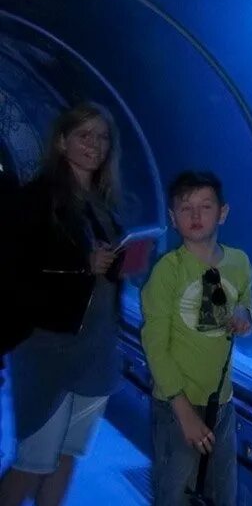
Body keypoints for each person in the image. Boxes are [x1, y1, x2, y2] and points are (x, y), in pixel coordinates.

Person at [0, 103, 125, 506]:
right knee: (33, 463)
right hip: (47, 348)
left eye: (102, 137)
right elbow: (15, 271)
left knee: (67, 457)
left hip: (96, 347)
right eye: (84, 135)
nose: (95, 144)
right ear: (61, 141)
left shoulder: (104, 202)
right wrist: (81, 266)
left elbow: (100, 269)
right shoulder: (37, 198)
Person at [140, 171, 252, 506]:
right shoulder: (167, 270)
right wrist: (184, 411)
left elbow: (246, 300)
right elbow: (155, 345)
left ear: (223, 212)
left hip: (222, 402)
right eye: (185, 208)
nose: (195, 215)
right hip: (176, 403)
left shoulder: (239, 261)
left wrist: (246, 316)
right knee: (174, 491)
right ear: (173, 219)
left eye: (205, 206)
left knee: (223, 491)